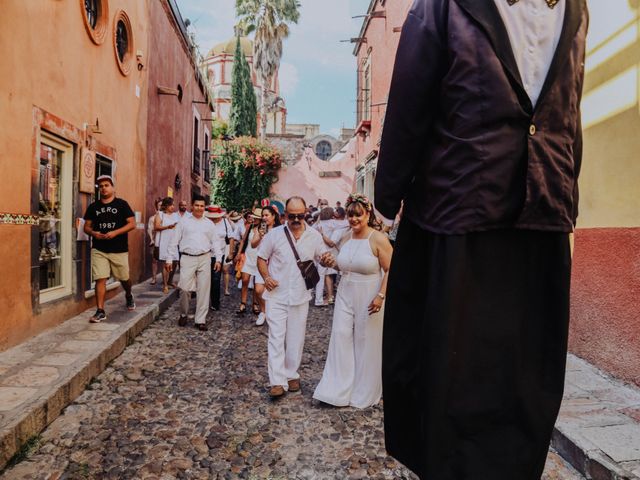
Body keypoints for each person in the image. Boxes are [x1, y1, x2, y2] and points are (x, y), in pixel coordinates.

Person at [374, 1, 588, 478]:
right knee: (454, 377)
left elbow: (569, 109)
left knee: (527, 379)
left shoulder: (576, 8)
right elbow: (410, 99)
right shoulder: (442, 6)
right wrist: (386, 195)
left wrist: (565, 193)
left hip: (542, 216)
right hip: (460, 211)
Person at [313, 194, 392, 408]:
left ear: (367, 214)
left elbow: (391, 269)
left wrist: (381, 296)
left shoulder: (377, 239)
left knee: (365, 340)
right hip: (345, 292)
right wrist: (331, 262)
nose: (354, 219)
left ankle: (364, 388)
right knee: (340, 335)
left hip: (370, 293)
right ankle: (337, 388)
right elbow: (344, 265)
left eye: (358, 215)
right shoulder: (346, 237)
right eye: (350, 215)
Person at [256, 196, 333, 398]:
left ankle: (291, 375)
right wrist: (266, 277)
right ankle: (277, 381)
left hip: (300, 296)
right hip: (276, 295)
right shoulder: (274, 235)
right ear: (285, 216)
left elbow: (322, 258)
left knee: (296, 339)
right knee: (275, 337)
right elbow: (261, 258)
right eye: (292, 216)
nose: (297, 219)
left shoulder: (315, 236)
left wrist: (326, 260)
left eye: (300, 215)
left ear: (306, 214)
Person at [83, 175, 136, 322]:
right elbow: (86, 227)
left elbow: (132, 224)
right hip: (99, 248)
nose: (103, 188)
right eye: (101, 186)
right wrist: (94, 233)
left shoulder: (122, 204)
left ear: (112, 187)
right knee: (100, 278)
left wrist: (115, 232)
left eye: (106, 185)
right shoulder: (94, 207)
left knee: (124, 278)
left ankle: (128, 294)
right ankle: (100, 311)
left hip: (119, 249)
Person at [166, 195, 223, 331]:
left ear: (205, 208)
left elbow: (215, 242)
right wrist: (169, 258)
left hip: (205, 257)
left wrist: (219, 259)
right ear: (192, 206)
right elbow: (174, 241)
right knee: (184, 288)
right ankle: (184, 313)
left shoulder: (209, 223)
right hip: (187, 257)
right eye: (197, 205)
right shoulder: (184, 222)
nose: (199, 208)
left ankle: (200, 320)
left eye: (202, 206)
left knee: (204, 289)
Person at [250, 205, 281, 326]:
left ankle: (272, 313)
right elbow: (253, 245)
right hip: (261, 262)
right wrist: (260, 236)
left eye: (267, 215)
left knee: (274, 290)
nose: (264, 217)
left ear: (274, 216)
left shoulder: (280, 229)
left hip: (275, 263)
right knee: (258, 290)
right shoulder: (260, 228)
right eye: (263, 215)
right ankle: (263, 311)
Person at [204, 205, 236, 311]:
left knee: (216, 279)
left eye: (215, 216)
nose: (213, 218)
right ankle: (203, 303)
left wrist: (231, 253)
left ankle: (215, 303)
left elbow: (231, 238)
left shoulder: (225, 222)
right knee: (205, 279)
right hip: (205, 255)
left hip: (219, 255)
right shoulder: (205, 222)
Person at [237, 208, 262, 315]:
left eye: (257, 218)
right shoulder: (249, 227)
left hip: (259, 257)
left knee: (257, 283)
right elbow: (243, 240)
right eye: (254, 217)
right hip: (248, 256)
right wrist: (238, 253)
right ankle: (243, 303)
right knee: (245, 280)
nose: (254, 220)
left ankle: (255, 304)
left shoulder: (263, 229)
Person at [154, 197, 180, 294]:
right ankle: (165, 284)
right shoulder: (160, 214)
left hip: (173, 241)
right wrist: (167, 227)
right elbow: (156, 227)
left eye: (173, 205)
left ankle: (170, 281)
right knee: (166, 264)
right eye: (171, 205)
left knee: (175, 262)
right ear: (166, 205)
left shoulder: (175, 215)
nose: (173, 207)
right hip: (163, 241)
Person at [313, 207, 337, 307]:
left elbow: (312, 228)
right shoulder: (333, 223)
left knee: (320, 277)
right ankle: (319, 300)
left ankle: (320, 298)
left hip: (318, 253)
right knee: (324, 277)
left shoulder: (318, 225)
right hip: (328, 253)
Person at [147, 198, 162, 285]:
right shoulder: (152, 218)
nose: (161, 207)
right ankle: (154, 278)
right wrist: (152, 240)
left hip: (165, 241)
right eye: (159, 205)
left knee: (165, 261)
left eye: (162, 205)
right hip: (155, 241)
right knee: (154, 260)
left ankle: (166, 280)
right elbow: (150, 230)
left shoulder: (167, 217)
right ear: (156, 206)